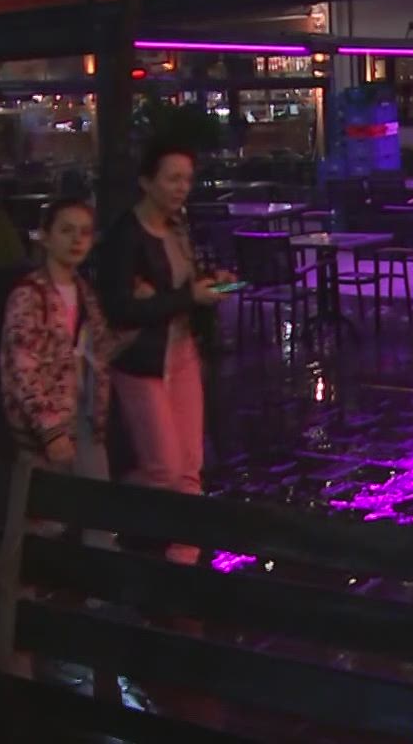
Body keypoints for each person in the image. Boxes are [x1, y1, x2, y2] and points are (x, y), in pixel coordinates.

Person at [97, 141, 234, 564]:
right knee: (164, 468)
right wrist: (186, 297)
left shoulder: (177, 228)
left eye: (187, 179)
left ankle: (183, 556)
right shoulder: (125, 236)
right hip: (141, 360)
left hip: (181, 351)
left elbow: (180, 287)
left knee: (190, 464)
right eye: (172, 179)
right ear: (146, 182)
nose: (181, 188)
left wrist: (208, 283)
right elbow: (119, 308)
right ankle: (116, 512)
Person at [0, 198, 118, 479]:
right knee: (48, 502)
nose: (77, 240)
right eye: (66, 230)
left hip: (86, 420)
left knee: (97, 499)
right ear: (46, 237)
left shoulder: (86, 293)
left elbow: (101, 349)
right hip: (44, 430)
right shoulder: (29, 295)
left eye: (84, 232)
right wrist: (50, 430)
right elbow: (24, 369)